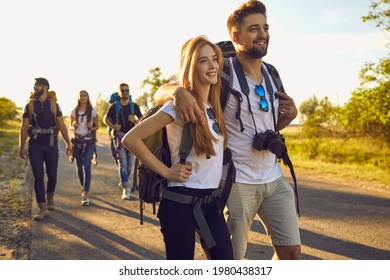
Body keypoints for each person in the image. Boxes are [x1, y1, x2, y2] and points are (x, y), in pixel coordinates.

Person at [154, 1, 301, 260]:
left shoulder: (272, 73)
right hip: (237, 183)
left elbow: (267, 126)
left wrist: (290, 118)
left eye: (265, 27)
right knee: (229, 261)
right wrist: (177, 92)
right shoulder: (222, 72)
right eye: (253, 29)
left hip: (273, 177)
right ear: (236, 36)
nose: (263, 34)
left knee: (291, 252)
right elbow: (162, 92)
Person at [122, 36, 233, 260]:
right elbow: (131, 139)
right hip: (180, 202)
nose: (212, 66)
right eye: (203, 61)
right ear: (191, 66)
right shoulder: (177, 106)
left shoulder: (213, 106)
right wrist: (167, 171)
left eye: (214, 59)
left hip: (210, 203)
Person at [19, 77, 72, 221]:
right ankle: (42, 207)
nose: (35, 87)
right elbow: (24, 127)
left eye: (37, 85)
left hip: (51, 144)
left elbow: (61, 125)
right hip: (35, 145)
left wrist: (69, 143)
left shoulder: (55, 105)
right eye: (35, 85)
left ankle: (50, 196)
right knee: (38, 176)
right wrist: (22, 146)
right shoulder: (29, 105)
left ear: (45, 87)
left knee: (52, 175)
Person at [103, 83, 142, 200]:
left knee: (130, 165)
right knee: (123, 164)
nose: (125, 92)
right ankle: (126, 188)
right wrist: (114, 127)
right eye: (123, 90)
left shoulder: (134, 106)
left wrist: (134, 120)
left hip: (132, 137)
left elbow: (142, 119)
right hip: (119, 137)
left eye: (127, 90)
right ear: (119, 93)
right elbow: (106, 119)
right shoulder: (114, 106)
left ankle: (124, 180)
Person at [70, 90, 99, 206]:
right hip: (77, 142)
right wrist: (73, 125)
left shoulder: (92, 112)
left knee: (87, 166)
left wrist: (91, 127)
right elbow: (71, 125)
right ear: (78, 97)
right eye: (81, 95)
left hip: (89, 142)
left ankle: (86, 193)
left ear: (88, 97)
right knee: (79, 166)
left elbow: (97, 127)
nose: (82, 97)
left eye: (84, 95)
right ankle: (83, 187)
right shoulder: (74, 112)